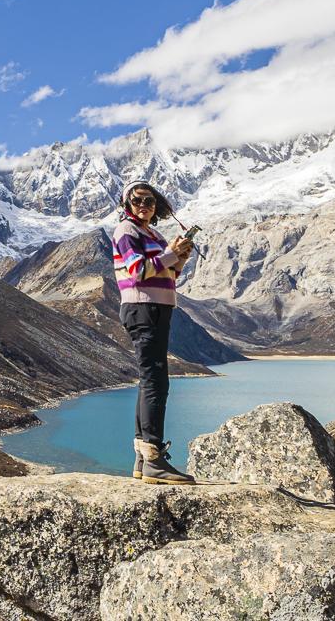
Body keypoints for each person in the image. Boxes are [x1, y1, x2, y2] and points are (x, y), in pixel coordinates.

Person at [111, 181, 197, 484]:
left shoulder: (152, 234)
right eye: (137, 201)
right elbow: (139, 271)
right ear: (127, 205)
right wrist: (170, 253)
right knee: (156, 380)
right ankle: (153, 458)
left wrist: (180, 256)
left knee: (151, 379)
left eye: (149, 200)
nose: (144, 205)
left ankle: (142, 458)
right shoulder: (127, 232)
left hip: (158, 308)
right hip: (142, 308)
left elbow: (168, 273)